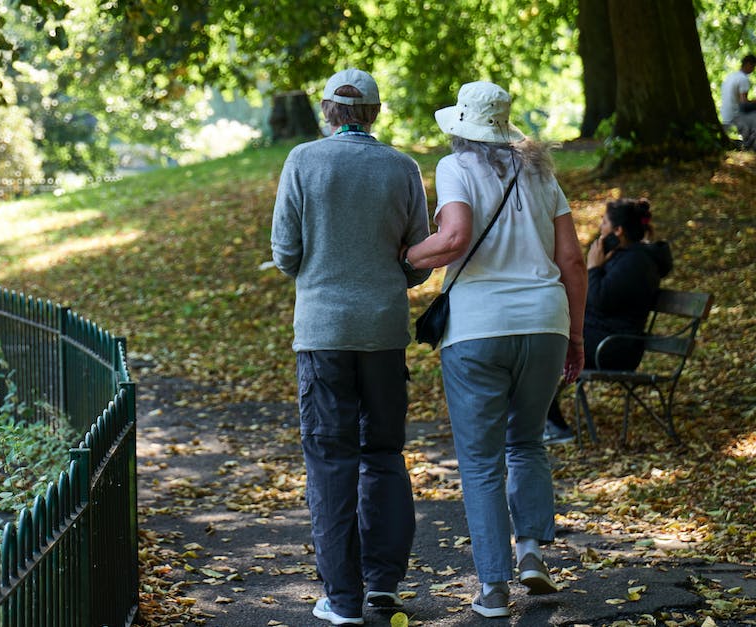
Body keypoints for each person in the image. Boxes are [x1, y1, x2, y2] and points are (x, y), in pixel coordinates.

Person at [400, 81, 587, 618]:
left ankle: (493, 589)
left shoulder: (454, 168)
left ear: (461, 128)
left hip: (478, 330)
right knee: (527, 443)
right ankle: (530, 553)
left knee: (481, 463)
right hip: (545, 324)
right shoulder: (543, 174)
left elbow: (454, 238)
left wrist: (404, 257)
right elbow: (572, 261)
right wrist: (575, 335)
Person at [270, 68, 432, 626]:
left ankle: (341, 599)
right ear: (376, 114)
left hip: (322, 333)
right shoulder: (402, 167)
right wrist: (389, 280)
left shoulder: (303, 161)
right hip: (383, 332)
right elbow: (418, 254)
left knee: (331, 462)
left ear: (326, 112)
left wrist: (320, 268)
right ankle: (384, 586)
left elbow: (286, 251)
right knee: (384, 455)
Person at [544, 198, 673, 443]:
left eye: (603, 223)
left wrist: (593, 268)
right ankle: (544, 422)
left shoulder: (636, 263)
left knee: (546, 347)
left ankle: (555, 426)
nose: (600, 228)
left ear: (618, 231)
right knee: (541, 341)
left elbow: (598, 300)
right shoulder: (624, 257)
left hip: (616, 348)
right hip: (604, 338)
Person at [722, 55, 756, 149]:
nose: (753, 70)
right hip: (735, 117)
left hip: (725, 117)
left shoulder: (730, 76)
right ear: (748, 64)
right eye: (753, 67)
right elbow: (744, 102)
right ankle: (750, 145)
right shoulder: (743, 78)